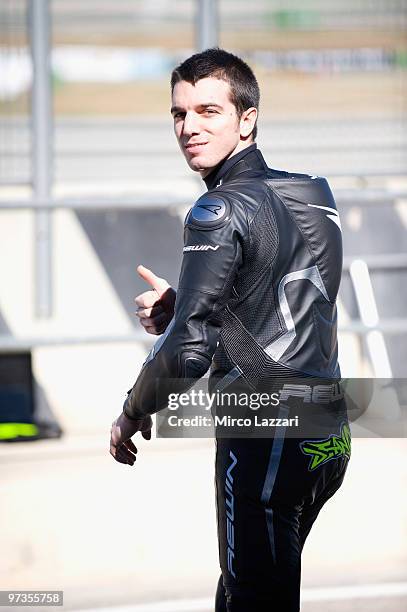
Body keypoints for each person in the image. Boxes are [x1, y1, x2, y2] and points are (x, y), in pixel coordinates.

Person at [110, 48, 350, 611]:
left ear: (247, 119)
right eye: (179, 113)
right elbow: (285, 307)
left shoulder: (214, 211)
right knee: (246, 591)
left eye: (208, 111)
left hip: (264, 437)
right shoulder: (317, 192)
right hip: (329, 436)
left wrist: (132, 409)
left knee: (253, 599)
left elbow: (188, 352)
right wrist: (187, 305)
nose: (189, 126)